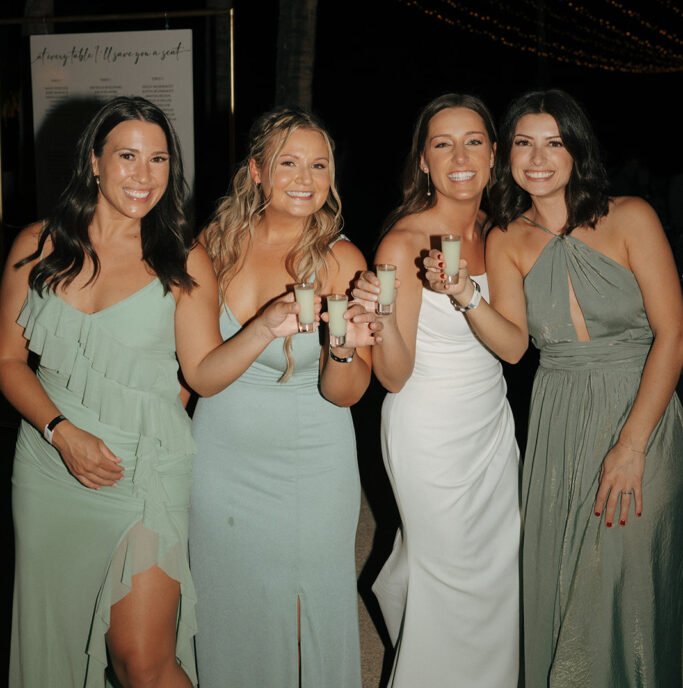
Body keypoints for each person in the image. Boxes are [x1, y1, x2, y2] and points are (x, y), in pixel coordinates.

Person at [0, 96, 292, 688]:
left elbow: (203, 374)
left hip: (142, 473)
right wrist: (62, 434)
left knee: (143, 660)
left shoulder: (182, 259)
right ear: (95, 163)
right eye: (127, 155)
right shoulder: (39, 245)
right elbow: (9, 363)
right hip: (49, 465)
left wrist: (265, 325)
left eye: (158, 159)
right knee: (54, 640)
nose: (143, 173)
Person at [425, 88, 683, 687]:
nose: (537, 158)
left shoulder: (631, 216)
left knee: (627, 582)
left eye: (554, 143)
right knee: (562, 578)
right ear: (507, 154)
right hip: (558, 419)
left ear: (576, 150)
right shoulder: (507, 238)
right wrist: (465, 296)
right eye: (523, 143)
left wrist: (631, 445)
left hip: (639, 409)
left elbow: (672, 337)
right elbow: (514, 346)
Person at [189, 107, 375, 688]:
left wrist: (343, 347)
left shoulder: (341, 259)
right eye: (287, 162)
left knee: (307, 616)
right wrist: (264, 325)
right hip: (220, 458)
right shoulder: (212, 247)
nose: (305, 177)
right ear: (256, 172)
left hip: (312, 463)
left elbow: (345, 392)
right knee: (229, 607)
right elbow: (199, 374)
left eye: (319, 164)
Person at [352, 93, 521, 688]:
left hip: (491, 430)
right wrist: (382, 322)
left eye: (474, 140)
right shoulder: (404, 240)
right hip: (427, 429)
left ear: (494, 155)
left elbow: (513, 346)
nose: (459, 156)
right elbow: (393, 376)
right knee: (445, 573)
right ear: (423, 160)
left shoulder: (497, 234)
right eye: (442, 143)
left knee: (498, 571)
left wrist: (464, 295)